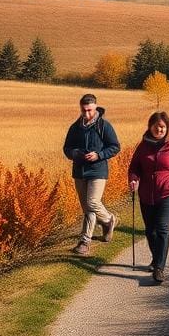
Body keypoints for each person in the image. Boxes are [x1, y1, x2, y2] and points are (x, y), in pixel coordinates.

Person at [128, 112, 169, 283]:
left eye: (162, 127)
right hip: (147, 194)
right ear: (150, 127)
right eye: (156, 127)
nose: (159, 129)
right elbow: (134, 167)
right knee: (150, 231)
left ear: (167, 127)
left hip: (168, 193)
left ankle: (159, 268)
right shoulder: (143, 146)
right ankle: (156, 259)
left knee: (162, 227)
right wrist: (133, 179)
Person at [62, 93, 121, 256]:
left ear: (96, 108)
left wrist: (99, 155)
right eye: (84, 110)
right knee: (87, 207)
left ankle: (86, 240)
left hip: (98, 171)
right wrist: (75, 153)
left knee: (92, 202)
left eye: (89, 110)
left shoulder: (104, 126)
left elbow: (115, 146)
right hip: (79, 171)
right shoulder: (75, 128)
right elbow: (66, 148)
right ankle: (108, 221)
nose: (87, 114)